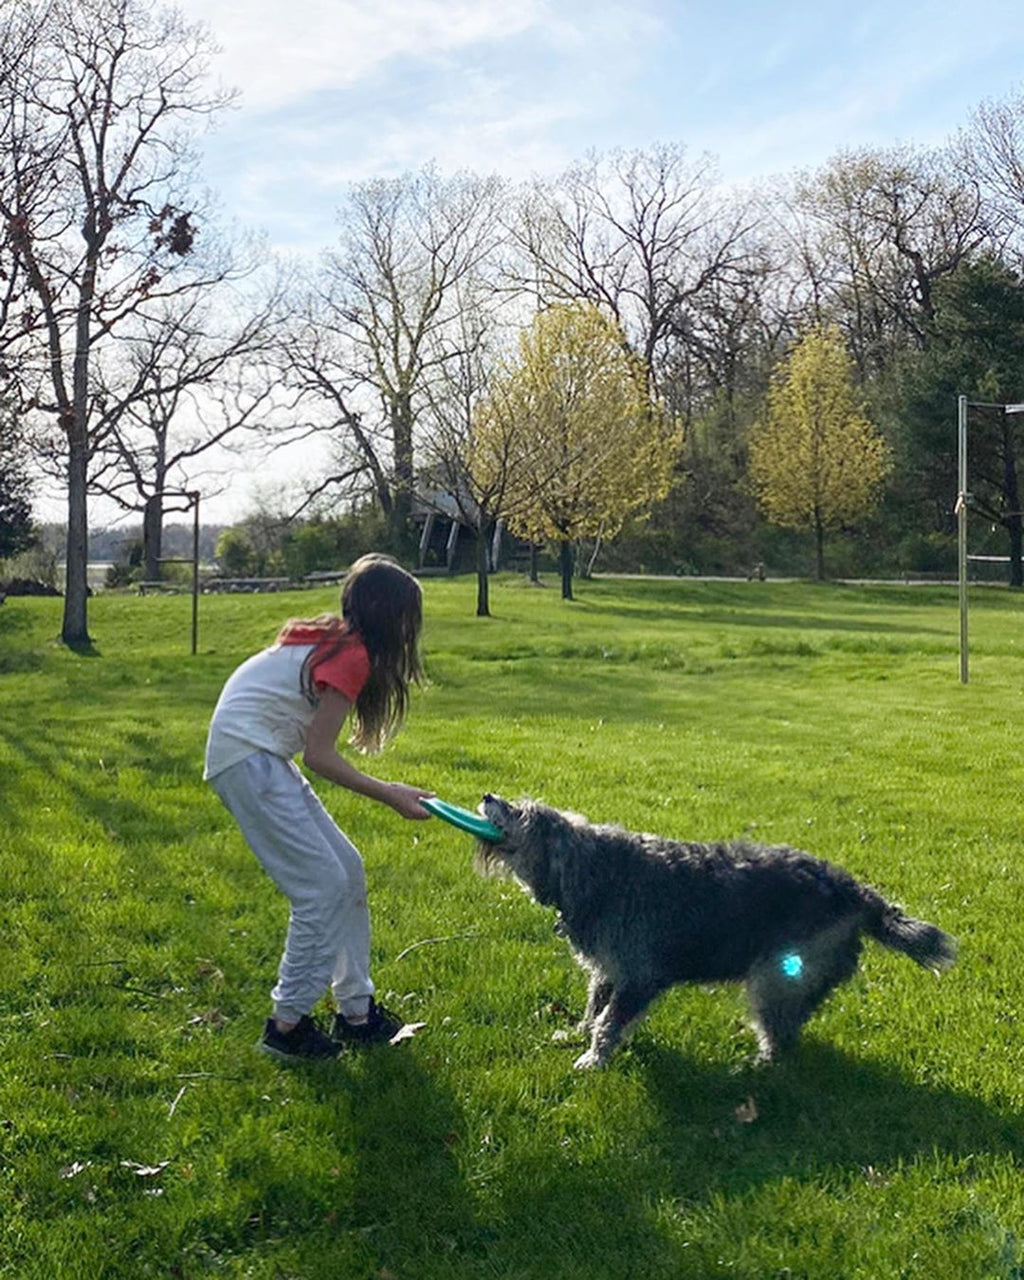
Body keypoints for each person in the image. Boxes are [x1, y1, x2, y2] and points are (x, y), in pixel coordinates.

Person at [204, 553, 434, 1061]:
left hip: (258, 754)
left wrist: (395, 790)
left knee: (347, 871)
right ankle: (286, 1026)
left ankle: (356, 1011)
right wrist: (393, 794)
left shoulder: (340, 641)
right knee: (320, 888)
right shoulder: (352, 655)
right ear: (390, 617)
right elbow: (320, 756)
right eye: (408, 620)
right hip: (246, 758)